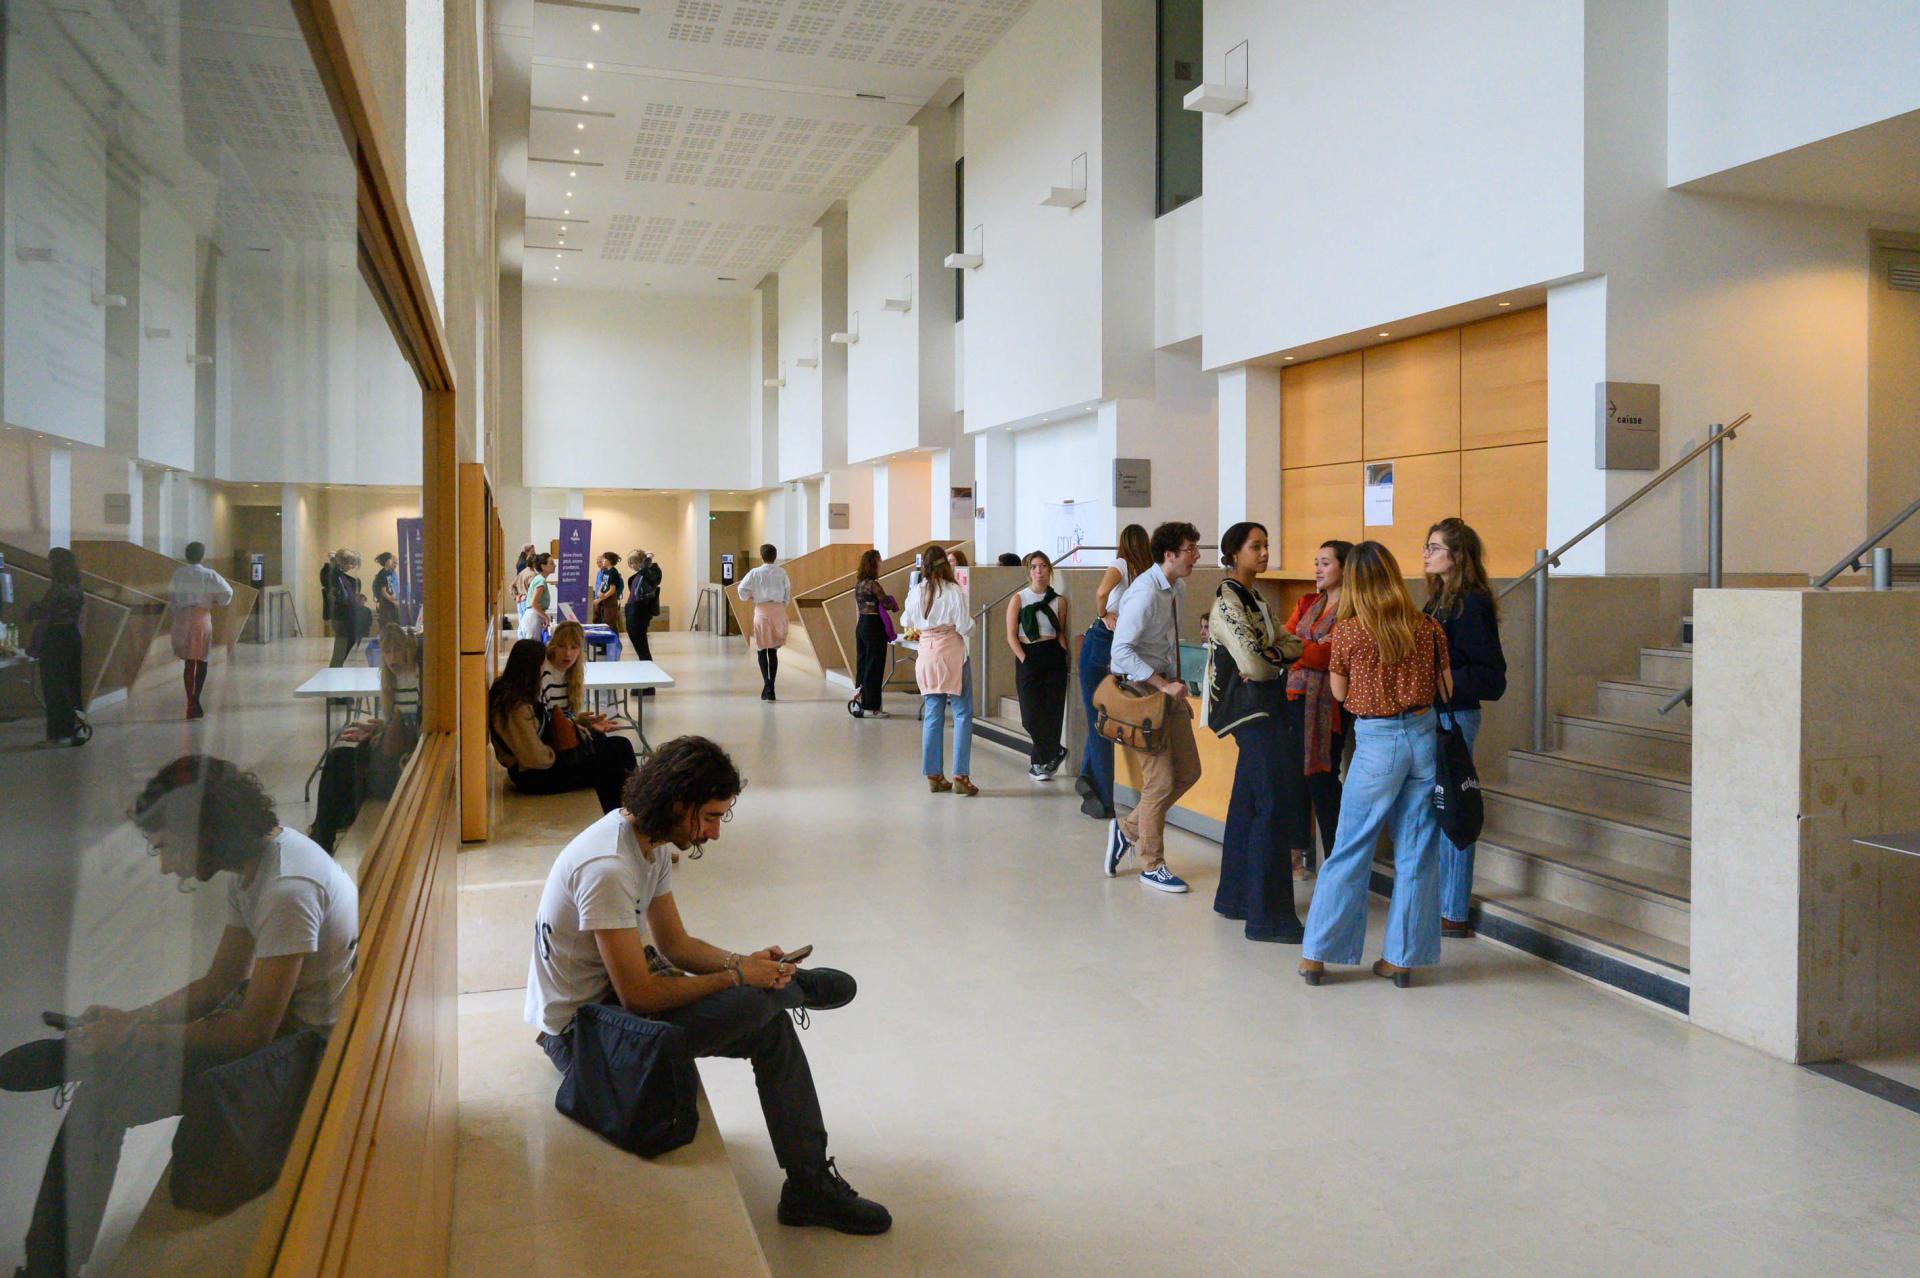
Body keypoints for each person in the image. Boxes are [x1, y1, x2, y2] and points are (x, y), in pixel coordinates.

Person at [5, 755, 357, 1277]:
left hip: (308, 1060)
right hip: (288, 1032)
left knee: (102, 1096)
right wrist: (134, 1018)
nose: (166, 866)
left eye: (167, 846)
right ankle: (47, 1265)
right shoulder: (259, 865)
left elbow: (251, 1032)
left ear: (206, 831)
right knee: (108, 1080)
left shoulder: (287, 888)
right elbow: (219, 983)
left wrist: (139, 1034)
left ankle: (45, 1269)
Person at [524, 736, 890, 1235]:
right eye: (712, 817)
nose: (715, 833)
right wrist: (738, 977)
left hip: (609, 1005)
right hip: (580, 1040)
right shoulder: (608, 868)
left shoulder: (646, 843)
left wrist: (744, 963)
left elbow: (675, 945)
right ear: (678, 803)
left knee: (768, 1024)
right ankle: (790, 989)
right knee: (757, 1008)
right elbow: (639, 997)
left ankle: (808, 1185)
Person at [1298, 541, 1452, 989]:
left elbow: (1340, 694)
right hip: (1423, 738)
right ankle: (1401, 960)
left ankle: (1317, 955)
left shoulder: (1349, 631)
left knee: (1351, 846)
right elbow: (1445, 688)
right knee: (1417, 849)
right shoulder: (1428, 626)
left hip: (1377, 743)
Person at [1208, 522, 1307, 942]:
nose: (1264, 553)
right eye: (1255, 546)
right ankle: (1268, 917)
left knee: (1248, 802)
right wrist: (1272, 658)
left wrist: (1272, 654)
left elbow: (1293, 643)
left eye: (1266, 545)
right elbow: (1251, 664)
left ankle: (1236, 897)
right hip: (1248, 712)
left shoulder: (1256, 598)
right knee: (1272, 805)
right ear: (1234, 554)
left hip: (1264, 707)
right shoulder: (1228, 601)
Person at [1104, 521, 1203, 893]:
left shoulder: (1177, 587)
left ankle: (1128, 829)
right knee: (1159, 781)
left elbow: (1168, 642)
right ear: (1169, 554)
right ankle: (1152, 864)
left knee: (1189, 771)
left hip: (1165, 689)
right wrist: (1163, 685)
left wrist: (1177, 689)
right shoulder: (1144, 592)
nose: (1196, 556)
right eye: (1190, 549)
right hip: (1140, 691)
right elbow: (1120, 652)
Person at [1422, 517, 1507, 939]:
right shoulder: (1436, 602)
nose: (1426, 554)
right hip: (1431, 714)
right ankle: (1438, 901)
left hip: (1454, 717)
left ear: (1457, 556)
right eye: (1426, 546)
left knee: (1454, 807)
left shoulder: (1471, 604)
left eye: (1435, 547)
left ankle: (1454, 909)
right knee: (1434, 808)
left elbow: (1493, 678)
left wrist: (1445, 679)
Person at [309, 623, 422, 852]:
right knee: (337, 758)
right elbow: (398, 725)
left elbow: (413, 727)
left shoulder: (419, 679)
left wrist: (384, 732)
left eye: (398, 650)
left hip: (404, 762)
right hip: (392, 753)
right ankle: (323, 834)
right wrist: (377, 729)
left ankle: (323, 837)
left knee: (340, 764)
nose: (393, 658)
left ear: (408, 650)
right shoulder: (392, 681)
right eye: (387, 651)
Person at [489, 638, 636, 813]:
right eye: (542, 664)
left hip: (540, 764)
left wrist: (576, 725)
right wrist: (562, 752)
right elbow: (533, 758)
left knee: (614, 745)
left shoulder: (516, 692)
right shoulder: (515, 706)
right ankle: (626, 811)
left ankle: (628, 808)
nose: (543, 669)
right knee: (612, 760)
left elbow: (540, 729)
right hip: (534, 776)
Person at [1282, 539, 1353, 881]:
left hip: (1330, 706)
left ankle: (1338, 866)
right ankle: (1296, 857)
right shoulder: (1308, 602)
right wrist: (1308, 647)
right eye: (1316, 562)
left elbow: (1328, 657)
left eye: (1325, 563)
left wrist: (1302, 648)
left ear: (1345, 568)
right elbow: (1281, 640)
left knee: (1323, 780)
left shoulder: (1353, 611)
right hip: (1295, 700)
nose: (1318, 569)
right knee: (1296, 779)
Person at [1076, 524, 1150, 819]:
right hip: (1126, 646)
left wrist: (1103, 613)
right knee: (1104, 717)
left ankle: (1104, 799)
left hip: (1101, 641)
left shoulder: (1121, 564)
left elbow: (1101, 592)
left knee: (1098, 720)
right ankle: (1086, 778)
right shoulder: (1147, 573)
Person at [898, 545, 976, 796]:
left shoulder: (916, 591)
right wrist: (973, 623)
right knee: (962, 713)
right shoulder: (954, 591)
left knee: (933, 713)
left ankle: (933, 774)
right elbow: (964, 626)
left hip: (927, 654)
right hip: (952, 653)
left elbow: (905, 620)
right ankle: (960, 775)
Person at [1004, 550, 1071, 781]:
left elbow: (1060, 632)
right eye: (1034, 567)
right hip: (1029, 654)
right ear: (1029, 571)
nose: (1038, 571)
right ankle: (1056, 750)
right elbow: (1011, 635)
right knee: (1030, 715)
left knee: (1052, 710)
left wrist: (1065, 657)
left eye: (1042, 566)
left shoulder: (1059, 601)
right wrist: (1024, 658)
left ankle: (1039, 763)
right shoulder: (1019, 598)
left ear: (1049, 570)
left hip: (1053, 654)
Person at [167, 542, 234, 720]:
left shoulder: (178, 574)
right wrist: (217, 601)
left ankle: (190, 700)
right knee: (202, 659)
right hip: (201, 618)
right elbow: (228, 592)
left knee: (188, 662)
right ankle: (195, 699)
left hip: (182, 618)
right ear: (202, 556)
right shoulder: (208, 574)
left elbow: (171, 596)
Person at [28, 548, 87, 748]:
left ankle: (57, 736)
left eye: (50, 561)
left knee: (54, 687)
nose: (48, 564)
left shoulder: (57, 588)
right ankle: (73, 731)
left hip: (55, 638)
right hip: (72, 637)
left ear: (57, 564)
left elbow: (43, 610)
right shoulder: (77, 587)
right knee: (71, 686)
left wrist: (31, 609)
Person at [736, 545, 791, 701]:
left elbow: (741, 589)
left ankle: (767, 684)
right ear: (775, 556)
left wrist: (750, 597)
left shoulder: (755, 572)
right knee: (773, 651)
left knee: (761, 648)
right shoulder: (782, 572)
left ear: (761, 556)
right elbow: (787, 592)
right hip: (778, 611)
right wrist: (782, 605)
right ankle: (771, 686)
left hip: (762, 611)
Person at [850, 549, 894, 719]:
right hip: (874, 626)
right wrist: (891, 601)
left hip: (862, 624)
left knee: (864, 664)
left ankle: (863, 700)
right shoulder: (873, 585)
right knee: (875, 666)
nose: (881, 564)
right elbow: (886, 603)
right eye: (879, 561)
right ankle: (872, 707)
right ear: (872, 564)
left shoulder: (859, 584)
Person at [328, 550, 370, 667]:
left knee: (349, 642)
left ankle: (338, 666)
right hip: (342, 617)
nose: (351, 567)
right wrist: (335, 559)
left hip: (349, 615)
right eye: (350, 564)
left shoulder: (345, 577)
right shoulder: (335, 575)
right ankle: (335, 668)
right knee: (340, 648)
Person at [624, 550, 663, 664]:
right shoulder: (639, 574)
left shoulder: (652, 572)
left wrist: (648, 559)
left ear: (641, 562)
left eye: (633, 563)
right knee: (637, 643)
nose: (631, 566)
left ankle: (648, 666)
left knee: (642, 646)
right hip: (632, 610)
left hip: (639, 612)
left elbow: (647, 572)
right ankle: (645, 665)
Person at [517, 552, 553, 642]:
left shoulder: (539, 579)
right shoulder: (540, 581)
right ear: (543, 566)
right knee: (532, 648)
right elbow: (534, 604)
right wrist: (546, 617)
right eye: (551, 563)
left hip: (535, 617)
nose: (555, 565)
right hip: (533, 618)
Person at [593, 551, 625, 636]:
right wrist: (599, 591)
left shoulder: (613, 572)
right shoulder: (606, 571)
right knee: (602, 621)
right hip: (604, 600)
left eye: (604, 559)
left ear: (609, 561)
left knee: (610, 622)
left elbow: (612, 590)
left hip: (610, 600)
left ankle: (614, 641)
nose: (602, 561)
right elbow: (603, 583)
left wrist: (600, 599)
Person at [371, 552, 400, 627]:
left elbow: (391, 587)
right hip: (385, 605)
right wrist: (393, 601)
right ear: (387, 561)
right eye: (391, 559)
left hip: (391, 604)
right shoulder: (382, 574)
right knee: (387, 626)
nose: (393, 562)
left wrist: (394, 597)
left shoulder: (388, 573)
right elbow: (384, 592)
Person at [513, 545, 538, 618]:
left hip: (521, 596)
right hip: (524, 596)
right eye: (532, 551)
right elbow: (522, 581)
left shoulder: (522, 563)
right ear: (526, 552)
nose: (534, 553)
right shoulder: (524, 564)